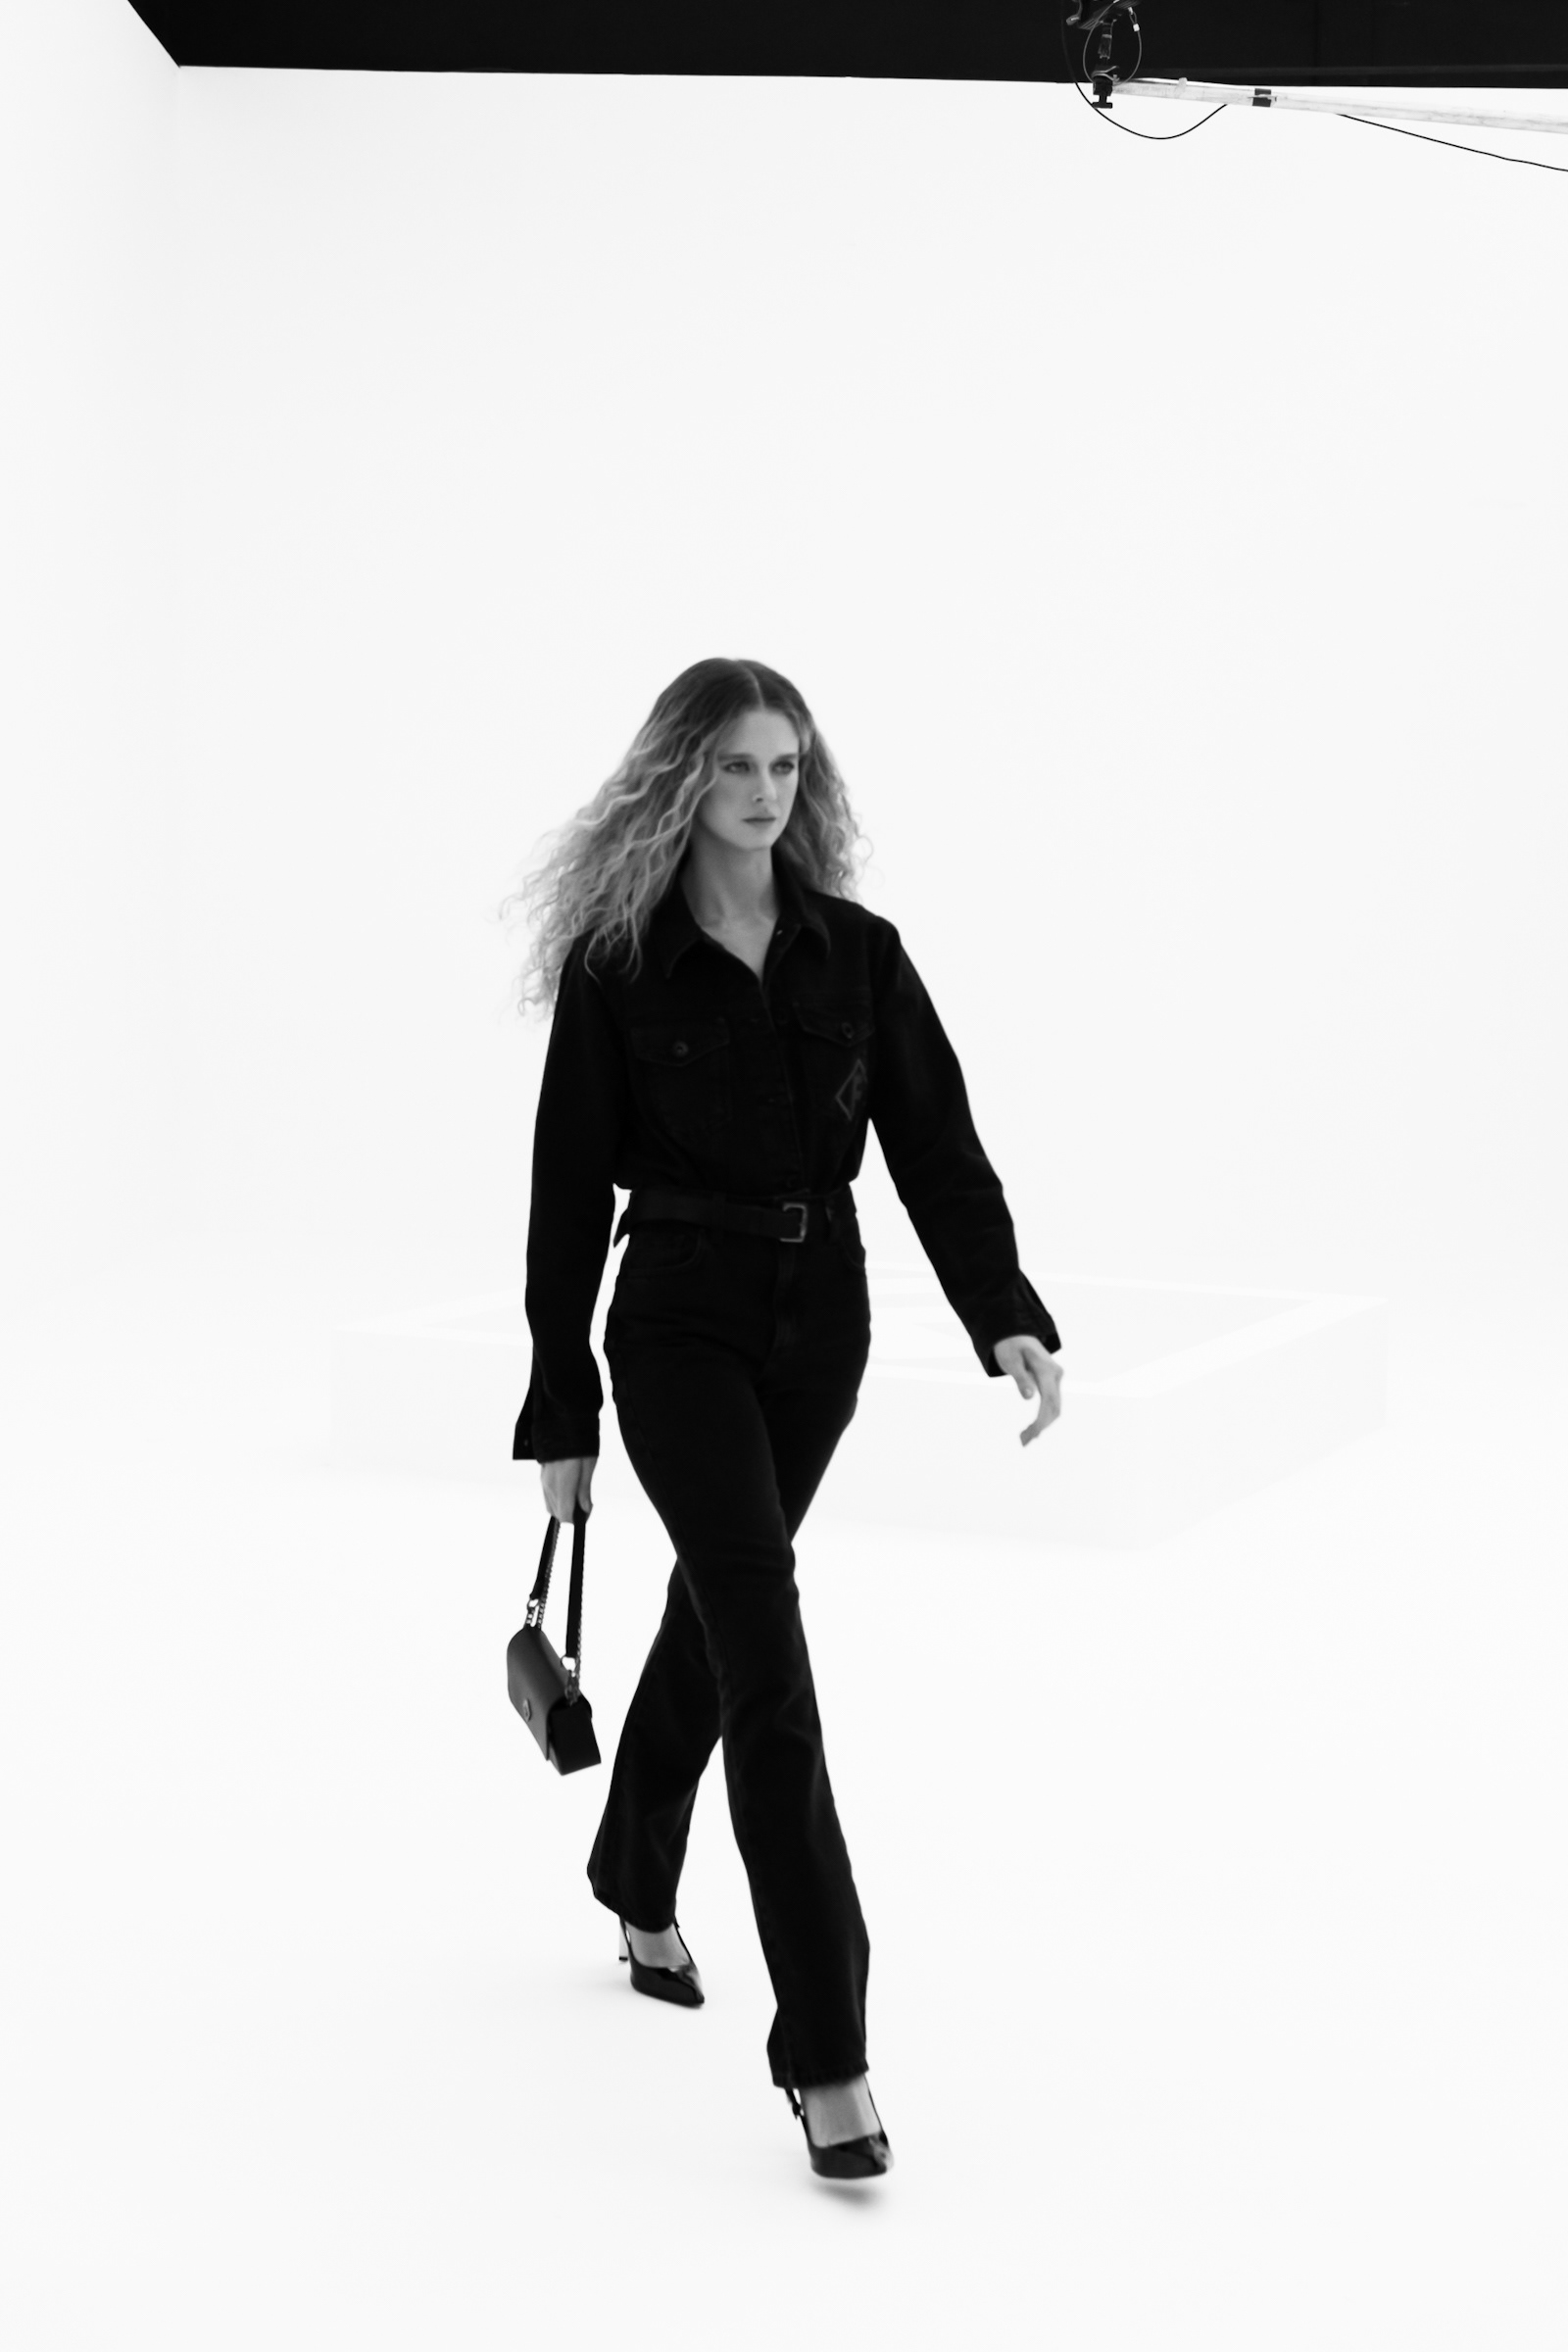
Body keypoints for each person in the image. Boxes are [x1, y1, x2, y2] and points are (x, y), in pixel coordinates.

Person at [502, 657, 1063, 2180]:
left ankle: (632, 1868)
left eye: (786, 766)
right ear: (680, 778)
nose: (765, 794)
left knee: (721, 1608)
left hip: (823, 1332)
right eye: (737, 765)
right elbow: (566, 1195)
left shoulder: (856, 954)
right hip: (677, 1325)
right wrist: (561, 1405)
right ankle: (828, 2049)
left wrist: (1003, 1309)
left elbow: (937, 1146)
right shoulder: (619, 964)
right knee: (766, 1644)